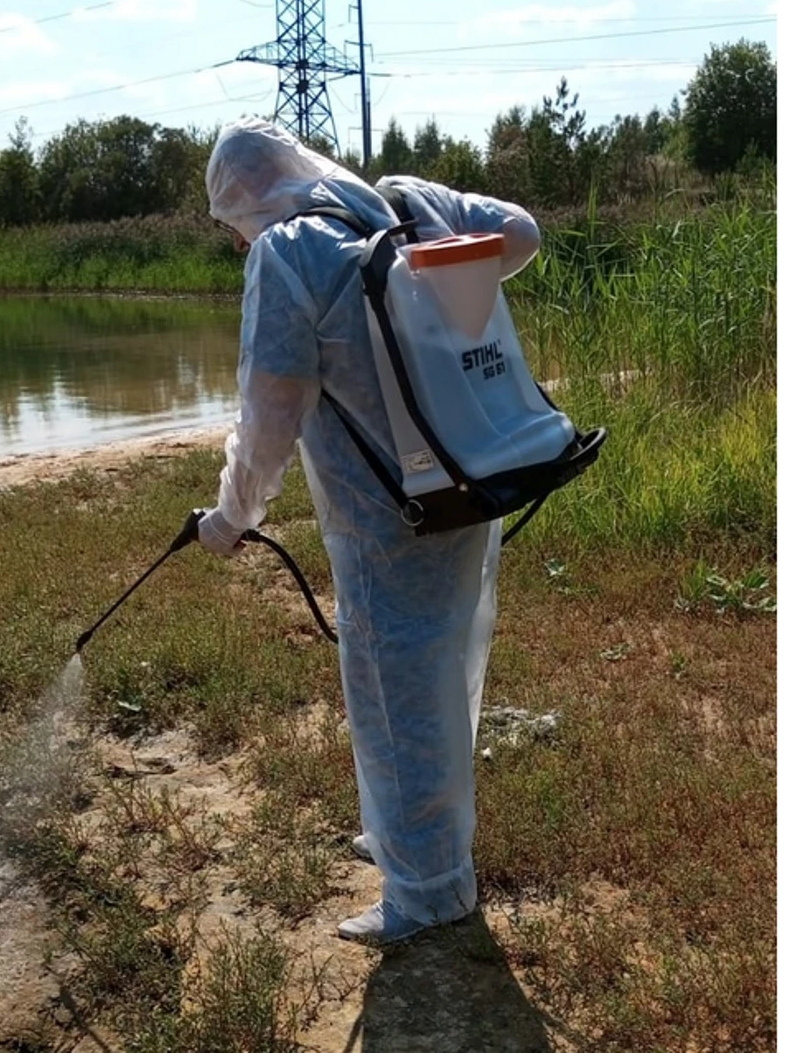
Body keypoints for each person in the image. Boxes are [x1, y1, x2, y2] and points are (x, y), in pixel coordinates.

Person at [194, 117, 540, 945]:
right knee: (444, 670)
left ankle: (426, 892)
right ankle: (408, 834)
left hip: (383, 518)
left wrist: (231, 517)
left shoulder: (292, 253)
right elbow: (522, 232)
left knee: (395, 694)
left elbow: (268, 414)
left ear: (249, 198)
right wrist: (437, 268)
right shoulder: (403, 206)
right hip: (463, 481)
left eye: (235, 223)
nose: (244, 242)